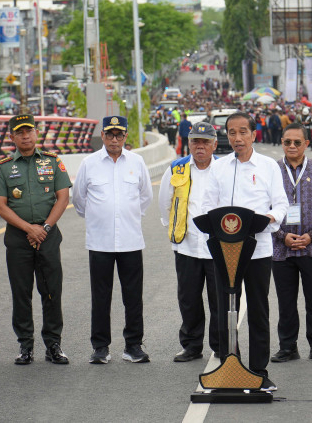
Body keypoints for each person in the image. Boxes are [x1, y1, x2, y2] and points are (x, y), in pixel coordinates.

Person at [203, 111, 289, 391]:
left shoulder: (268, 166)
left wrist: (269, 219)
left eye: (243, 132)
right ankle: (230, 365)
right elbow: (208, 206)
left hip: (257, 249)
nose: (237, 138)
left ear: (254, 134)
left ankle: (259, 371)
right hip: (224, 251)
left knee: (258, 310)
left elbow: (281, 205)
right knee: (224, 309)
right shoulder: (218, 167)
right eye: (231, 132)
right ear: (225, 136)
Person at [0, 114, 72, 365]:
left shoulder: (53, 162)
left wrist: (44, 228)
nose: (26, 136)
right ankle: (25, 346)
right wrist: (29, 229)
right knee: (21, 293)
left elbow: (63, 198)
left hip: (47, 237)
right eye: (20, 132)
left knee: (51, 292)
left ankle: (53, 345)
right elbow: (0, 206)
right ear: (12, 137)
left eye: (30, 131)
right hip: (18, 238)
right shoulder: (3, 167)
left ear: (36, 133)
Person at [72, 116, 153, 364]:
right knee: (100, 297)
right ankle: (100, 347)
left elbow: (145, 197)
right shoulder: (89, 163)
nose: (114, 139)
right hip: (100, 242)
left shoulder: (137, 162)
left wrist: (124, 215)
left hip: (130, 241)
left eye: (119, 135)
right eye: (110, 135)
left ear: (125, 136)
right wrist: (102, 216)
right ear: (103, 136)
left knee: (133, 296)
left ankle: (133, 345)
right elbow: (79, 199)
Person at [270, 123, 312, 364]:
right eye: (287, 142)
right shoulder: (272, 170)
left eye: (297, 142)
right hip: (281, 248)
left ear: (306, 144)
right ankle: (287, 347)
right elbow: (264, 207)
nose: (292, 146)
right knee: (286, 302)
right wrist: (282, 235)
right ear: (282, 143)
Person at [158, 122, 219, 362]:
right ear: (189, 143)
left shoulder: (224, 169)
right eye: (196, 141)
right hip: (186, 246)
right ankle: (192, 346)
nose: (200, 146)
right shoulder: (177, 168)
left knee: (219, 299)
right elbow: (165, 201)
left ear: (214, 144)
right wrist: (173, 229)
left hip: (217, 247)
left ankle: (221, 345)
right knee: (189, 299)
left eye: (205, 142)